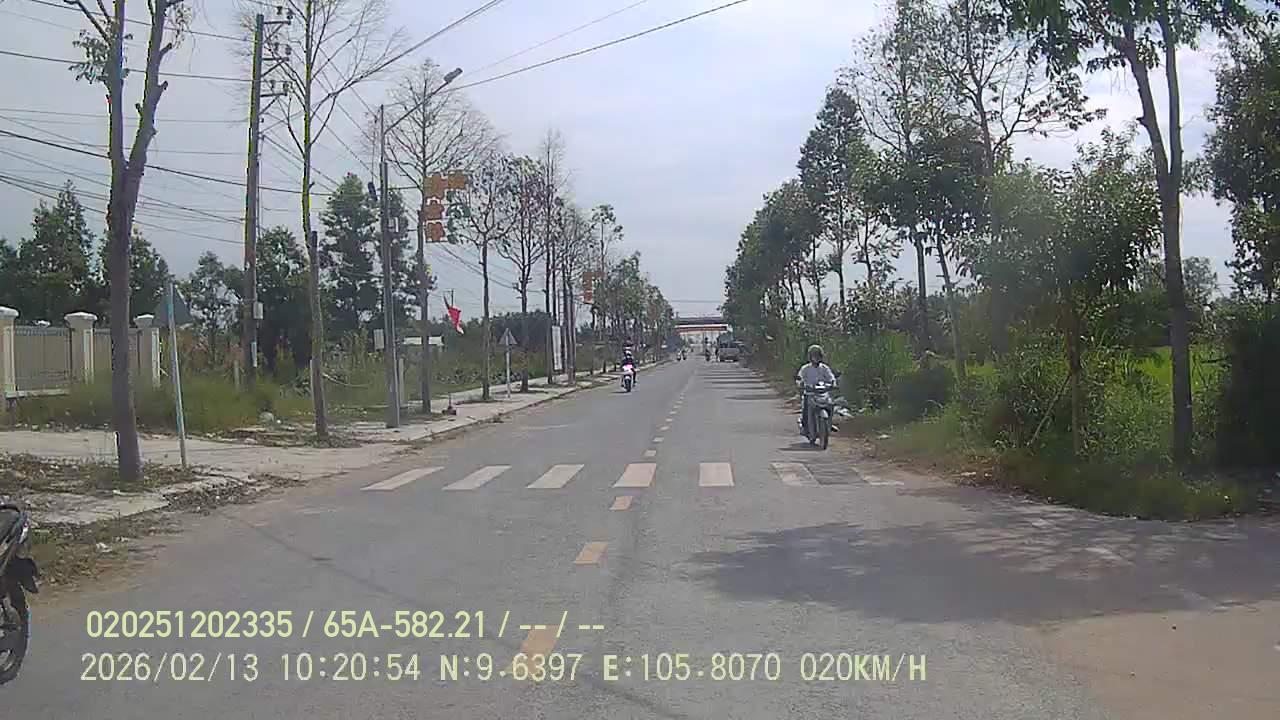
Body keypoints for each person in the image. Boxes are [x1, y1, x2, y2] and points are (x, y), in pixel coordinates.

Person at [796, 344, 838, 436]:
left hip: (823, 394)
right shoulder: (805, 368)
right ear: (810, 357)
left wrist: (833, 383)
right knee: (806, 410)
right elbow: (800, 378)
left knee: (831, 405)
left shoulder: (824, 368)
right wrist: (801, 384)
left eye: (818, 356)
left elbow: (831, 377)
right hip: (809, 394)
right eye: (814, 356)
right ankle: (805, 427)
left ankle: (829, 423)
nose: (816, 358)